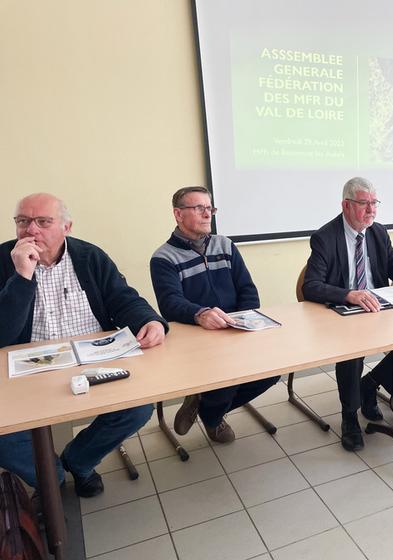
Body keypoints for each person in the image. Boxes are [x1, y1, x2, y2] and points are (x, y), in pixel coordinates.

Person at [0, 193, 167, 497]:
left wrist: (150, 321)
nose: (31, 230)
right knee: (4, 438)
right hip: (26, 367)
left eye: (43, 222)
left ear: (66, 227)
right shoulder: (3, 261)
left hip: (93, 357)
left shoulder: (90, 257)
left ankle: (78, 461)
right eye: (23, 222)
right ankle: (52, 476)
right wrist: (22, 277)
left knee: (138, 408)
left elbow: (123, 298)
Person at [303, 177, 393, 451]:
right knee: (352, 354)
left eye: (374, 203)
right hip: (344, 312)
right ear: (346, 205)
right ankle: (349, 416)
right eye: (365, 204)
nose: (371, 210)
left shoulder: (378, 232)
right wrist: (348, 294)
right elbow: (311, 286)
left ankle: (370, 384)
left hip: (380, 309)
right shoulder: (326, 237)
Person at [150, 186, 279, 444]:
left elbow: (247, 288)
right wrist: (200, 314)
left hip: (236, 329)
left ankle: (207, 406)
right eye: (199, 208)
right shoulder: (163, 257)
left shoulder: (225, 245)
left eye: (210, 208)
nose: (207, 214)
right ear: (178, 214)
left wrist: (246, 319)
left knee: (272, 371)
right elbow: (170, 303)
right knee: (228, 375)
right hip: (197, 337)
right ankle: (213, 415)